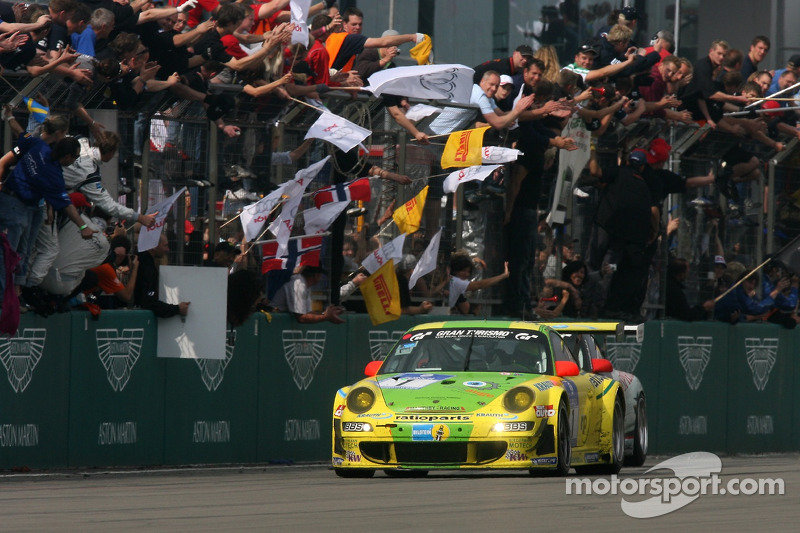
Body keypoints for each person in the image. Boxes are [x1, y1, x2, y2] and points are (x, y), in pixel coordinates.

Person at [0, 134, 90, 307]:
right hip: (15, 208)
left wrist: (11, 117)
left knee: (21, 253)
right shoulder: (53, 176)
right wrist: (83, 226)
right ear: (68, 157)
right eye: (76, 157)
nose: (75, 161)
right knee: (8, 254)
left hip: (26, 206)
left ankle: (15, 295)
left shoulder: (38, 145)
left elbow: (22, 136)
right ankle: (4, 299)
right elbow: (66, 204)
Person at [133, 233, 190, 318]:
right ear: (154, 246)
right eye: (165, 246)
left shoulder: (142, 261)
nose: (167, 249)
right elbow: (148, 302)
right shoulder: (147, 268)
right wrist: (177, 309)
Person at [269, 264, 345, 323]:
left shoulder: (305, 285)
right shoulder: (298, 284)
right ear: (316, 275)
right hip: (271, 322)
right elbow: (301, 318)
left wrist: (324, 314)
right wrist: (325, 317)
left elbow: (308, 313)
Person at [665, 256, 714, 321]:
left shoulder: (669, 286)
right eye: (687, 272)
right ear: (681, 274)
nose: (687, 275)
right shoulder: (675, 291)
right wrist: (703, 308)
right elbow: (687, 315)